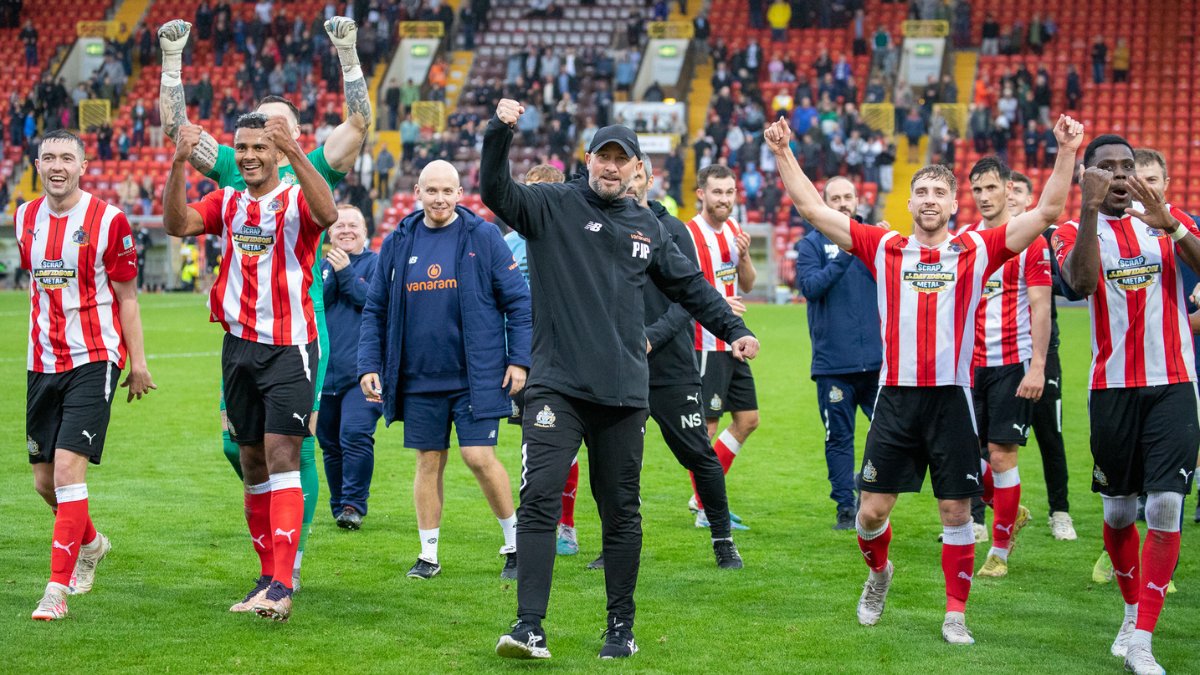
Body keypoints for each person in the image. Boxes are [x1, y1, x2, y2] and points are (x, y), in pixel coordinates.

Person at [764, 114, 1084, 644]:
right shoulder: (882, 246)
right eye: (922, 191)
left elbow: (1049, 209)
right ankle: (878, 574)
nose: (930, 198)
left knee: (957, 509)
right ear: (908, 204)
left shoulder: (977, 249)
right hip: (895, 399)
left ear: (954, 205)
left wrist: (1067, 151)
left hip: (951, 400)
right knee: (870, 513)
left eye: (940, 191)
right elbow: (812, 208)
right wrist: (782, 152)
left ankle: (955, 611)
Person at [482, 103, 758, 660]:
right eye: (603, 157)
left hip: (624, 394)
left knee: (620, 511)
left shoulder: (647, 226)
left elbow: (691, 285)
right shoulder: (552, 205)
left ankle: (620, 628)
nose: (611, 167)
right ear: (587, 161)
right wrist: (499, 133)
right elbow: (496, 192)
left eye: (622, 160)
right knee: (538, 499)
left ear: (636, 169)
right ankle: (529, 626)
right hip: (557, 387)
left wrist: (734, 328)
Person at [157, 16, 370, 590]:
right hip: (241, 332)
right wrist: (172, 63)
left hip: (304, 326)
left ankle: (288, 564)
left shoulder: (314, 169)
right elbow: (177, 131)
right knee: (241, 444)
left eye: (279, 130)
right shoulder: (231, 169)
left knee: (292, 445)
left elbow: (359, 123)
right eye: (259, 132)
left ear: (295, 135)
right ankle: (272, 546)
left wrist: (347, 55)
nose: (264, 142)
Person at [162, 114, 338, 621]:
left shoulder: (296, 196)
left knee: (283, 454)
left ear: (277, 151)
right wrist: (179, 161)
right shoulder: (229, 201)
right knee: (252, 462)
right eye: (242, 147)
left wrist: (297, 152)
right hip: (237, 348)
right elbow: (176, 225)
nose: (248, 155)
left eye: (261, 146)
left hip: (290, 348)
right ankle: (265, 576)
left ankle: (283, 586)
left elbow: (326, 214)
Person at [1055, 136, 1200, 675]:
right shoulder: (1071, 230)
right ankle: (1131, 609)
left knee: (1164, 506)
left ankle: (1142, 639)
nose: (1120, 174)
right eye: (1106, 167)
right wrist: (1091, 209)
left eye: (1126, 166)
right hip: (1111, 389)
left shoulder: (1162, 219)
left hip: (1173, 384)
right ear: (1087, 175)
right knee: (1118, 512)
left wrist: (1173, 225)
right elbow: (1082, 282)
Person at [359, 160, 531, 581]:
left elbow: (518, 303)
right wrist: (368, 364)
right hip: (418, 378)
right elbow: (375, 308)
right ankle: (428, 555)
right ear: (417, 191)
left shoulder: (484, 236)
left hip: (477, 374)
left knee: (478, 457)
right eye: (431, 190)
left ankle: (515, 543)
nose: (439, 199)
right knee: (427, 460)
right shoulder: (399, 240)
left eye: (447, 191)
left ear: (460, 193)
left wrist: (519, 359)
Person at [18, 129, 156, 621]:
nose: (58, 165)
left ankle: (56, 589)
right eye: (49, 157)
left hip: (93, 357)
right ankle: (92, 543)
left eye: (67, 158)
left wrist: (137, 361)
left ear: (82, 165)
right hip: (41, 361)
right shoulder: (24, 217)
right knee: (42, 482)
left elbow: (128, 298)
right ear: (37, 163)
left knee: (67, 471)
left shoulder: (109, 220)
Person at [586, 155, 745, 571]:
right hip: (617, 367)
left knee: (698, 454)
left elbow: (690, 295)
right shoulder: (601, 224)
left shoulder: (671, 228)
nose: (631, 181)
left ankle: (722, 539)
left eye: (638, 174)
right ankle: (613, 546)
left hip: (670, 366)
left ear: (650, 179)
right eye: (625, 173)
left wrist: (651, 338)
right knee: (613, 465)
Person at [960, 156, 1052, 577]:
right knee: (963, 454)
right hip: (965, 367)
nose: (983, 197)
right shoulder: (964, 240)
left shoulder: (1029, 240)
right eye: (977, 189)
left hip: (1011, 364)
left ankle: (998, 552)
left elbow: (1041, 306)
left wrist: (1038, 367)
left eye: (990, 188)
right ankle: (1010, 510)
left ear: (1008, 188)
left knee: (1000, 455)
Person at [794, 177, 882, 530]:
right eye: (836, 198)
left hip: (877, 362)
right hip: (834, 365)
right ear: (824, 203)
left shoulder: (874, 241)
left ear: (857, 201)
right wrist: (845, 255)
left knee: (888, 434)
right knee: (839, 438)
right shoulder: (811, 244)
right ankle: (846, 507)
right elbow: (811, 288)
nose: (843, 203)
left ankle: (869, 486)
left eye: (848, 197)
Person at [683, 165, 759, 530]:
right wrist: (718, 304)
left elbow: (747, 282)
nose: (725, 199)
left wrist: (743, 256)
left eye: (729, 192)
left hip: (734, 341)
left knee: (748, 419)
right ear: (701, 193)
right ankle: (705, 508)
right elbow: (681, 287)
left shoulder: (733, 230)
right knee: (707, 428)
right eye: (717, 192)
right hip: (705, 343)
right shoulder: (689, 234)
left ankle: (702, 498)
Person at [1007, 171, 1077, 541]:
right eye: (1009, 190)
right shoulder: (988, 239)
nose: (1012, 196)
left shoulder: (1048, 239)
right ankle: (974, 516)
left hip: (1042, 354)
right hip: (996, 354)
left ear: (1030, 198)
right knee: (986, 440)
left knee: (1051, 436)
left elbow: (1071, 285)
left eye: (1019, 191)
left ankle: (1060, 512)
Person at [316, 204, 380, 530]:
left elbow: (371, 300)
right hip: (324, 370)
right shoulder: (321, 267)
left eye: (353, 225)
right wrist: (332, 271)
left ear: (365, 231)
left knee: (355, 434)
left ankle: (354, 505)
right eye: (339, 226)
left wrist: (344, 273)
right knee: (329, 442)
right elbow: (316, 304)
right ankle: (339, 505)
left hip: (365, 371)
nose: (346, 231)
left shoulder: (378, 263)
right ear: (329, 232)